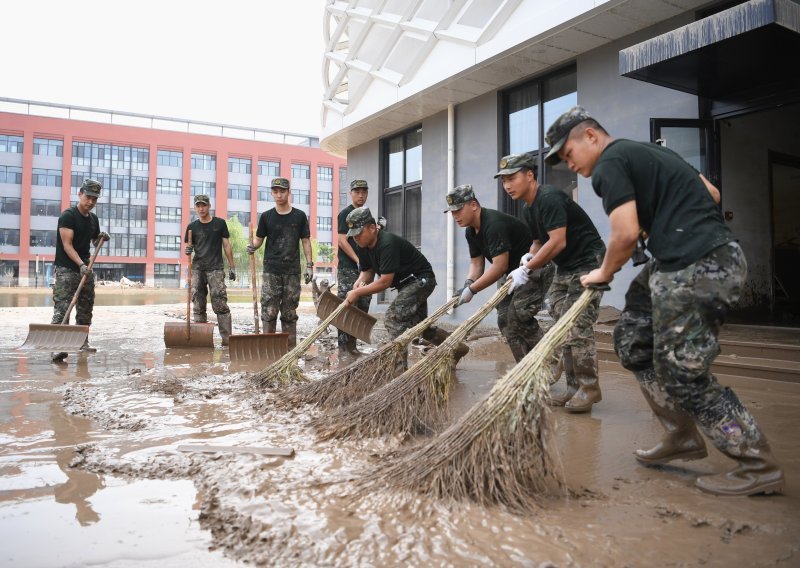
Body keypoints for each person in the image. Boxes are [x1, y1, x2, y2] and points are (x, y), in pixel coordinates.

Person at [546, 105, 784, 495]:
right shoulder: (656, 153)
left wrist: (603, 272)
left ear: (591, 136)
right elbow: (711, 192)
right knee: (633, 341)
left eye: (568, 154)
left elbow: (622, 235)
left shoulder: (609, 163)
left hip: (700, 264)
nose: (567, 164)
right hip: (686, 261)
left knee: (683, 369)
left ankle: (756, 462)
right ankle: (681, 434)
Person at [499, 153, 607, 413]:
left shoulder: (548, 198)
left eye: (512, 178)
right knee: (560, 324)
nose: (508, 185)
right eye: (503, 181)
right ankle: (573, 388)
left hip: (588, 262)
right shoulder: (528, 208)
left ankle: (589, 388)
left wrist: (528, 267)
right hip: (566, 266)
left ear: (529, 175)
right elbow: (539, 241)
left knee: (576, 325)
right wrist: (528, 256)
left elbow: (558, 241)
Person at [343, 207, 467, 367]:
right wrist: (358, 282)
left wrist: (357, 292)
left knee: (393, 318)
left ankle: (399, 369)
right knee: (421, 327)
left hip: (421, 280)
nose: (356, 238)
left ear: (372, 228)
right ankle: (457, 348)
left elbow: (385, 282)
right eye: (353, 235)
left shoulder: (387, 244)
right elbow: (367, 270)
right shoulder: (362, 246)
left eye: (358, 234)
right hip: (406, 284)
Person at [445, 183, 551, 364]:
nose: (455, 216)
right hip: (512, 274)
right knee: (504, 320)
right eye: (452, 212)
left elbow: (499, 267)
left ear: (473, 205)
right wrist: (468, 283)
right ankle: (525, 367)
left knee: (517, 315)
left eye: (458, 210)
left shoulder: (493, 224)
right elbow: (476, 262)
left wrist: (473, 289)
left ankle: (549, 361)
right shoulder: (471, 231)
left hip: (533, 268)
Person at [247, 177, 313, 348]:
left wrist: (310, 265)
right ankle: (267, 348)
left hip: (292, 270)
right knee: (269, 309)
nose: (279, 195)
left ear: (289, 192)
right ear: (272, 193)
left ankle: (289, 349)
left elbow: (306, 241)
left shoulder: (299, 216)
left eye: (282, 191)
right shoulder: (266, 217)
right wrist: (252, 246)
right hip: (271, 270)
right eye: (275, 191)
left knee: (289, 311)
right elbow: (259, 240)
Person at [50, 179, 109, 362]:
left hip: (85, 268)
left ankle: (82, 342)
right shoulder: (68, 216)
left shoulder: (93, 219)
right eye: (88, 197)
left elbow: (92, 241)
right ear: (80, 194)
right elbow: (67, 245)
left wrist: (99, 238)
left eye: (94, 199)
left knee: (85, 307)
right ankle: (57, 347)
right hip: (67, 269)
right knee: (63, 308)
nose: (90, 202)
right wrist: (80, 265)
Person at [183, 194, 236, 346]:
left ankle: (227, 341)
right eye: (198, 206)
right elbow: (189, 247)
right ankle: (201, 340)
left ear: (209, 206)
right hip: (198, 268)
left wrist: (232, 266)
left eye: (204, 205)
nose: (201, 208)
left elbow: (226, 245)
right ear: (195, 208)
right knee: (198, 302)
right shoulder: (192, 227)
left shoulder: (219, 224)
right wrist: (187, 250)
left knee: (219, 302)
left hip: (215, 268)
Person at [336, 179, 372, 355]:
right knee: (347, 306)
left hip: (366, 271)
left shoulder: (368, 215)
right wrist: (358, 260)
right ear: (350, 193)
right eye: (357, 192)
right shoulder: (345, 214)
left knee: (362, 307)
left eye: (364, 192)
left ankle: (353, 346)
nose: (360, 195)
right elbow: (342, 240)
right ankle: (344, 348)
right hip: (348, 269)